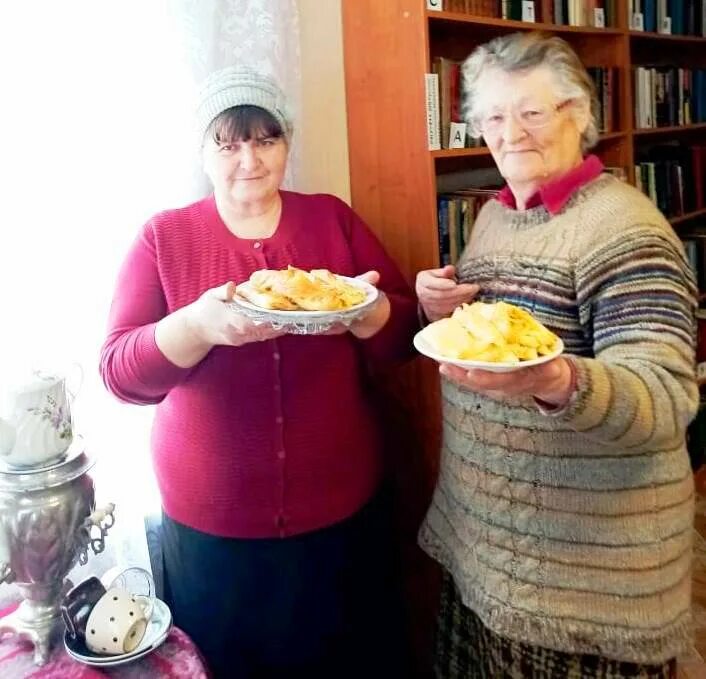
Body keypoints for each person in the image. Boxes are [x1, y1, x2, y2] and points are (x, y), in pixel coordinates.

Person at [100, 67, 418, 678]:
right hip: (214, 530)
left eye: (266, 140)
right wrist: (195, 327)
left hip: (340, 515)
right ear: (203, 150)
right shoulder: (164, 238)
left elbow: (403, 339)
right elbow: (120, 373)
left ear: (286, 145)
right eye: (229, 142)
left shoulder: (331, 220)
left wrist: (368, 312)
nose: (250, 159)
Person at [416, 32, 697, 678]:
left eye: (532, 112)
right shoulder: (495, 217)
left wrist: (559, 380)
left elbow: (663, 396)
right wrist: (443, 305)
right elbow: (498, 333)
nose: (509, 133)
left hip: (583, 586)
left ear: (579, 115)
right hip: (487, 555)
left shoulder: (624, 229)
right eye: (492, 116)